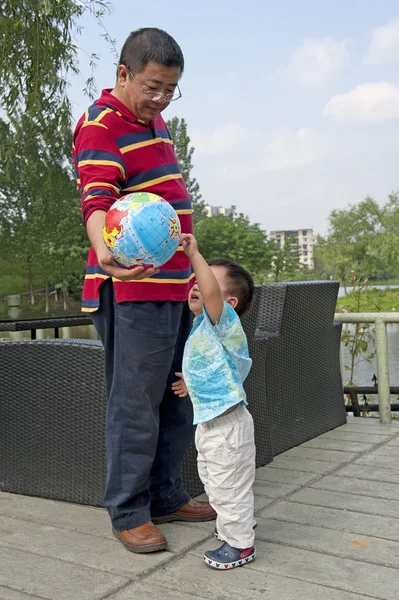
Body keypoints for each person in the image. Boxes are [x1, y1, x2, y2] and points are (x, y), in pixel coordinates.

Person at [72, 27, 215, 554]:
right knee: (136, 405)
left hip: (174, 285)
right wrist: (103, 251)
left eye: (171, 89)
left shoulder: (156, 124)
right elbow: (96, 196)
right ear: (123, 74)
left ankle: (166, 494)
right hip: (133, 289)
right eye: (152, 86)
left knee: (179, 397)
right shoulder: (100, 123)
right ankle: (128, 510)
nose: (161, 98)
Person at [172, 234, 257, 570]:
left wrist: (194, 253)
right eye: (196, 278)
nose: (197, 283)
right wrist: (190, 385)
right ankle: (236, 526)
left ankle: (240, 545)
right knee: (215, 483)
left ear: (229, 302)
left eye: (205, 277)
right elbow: (218, 371)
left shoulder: (223, 322)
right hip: (210, 425)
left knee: (227, 488)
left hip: (227, 428)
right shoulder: (201, 327)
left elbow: (209, 294)